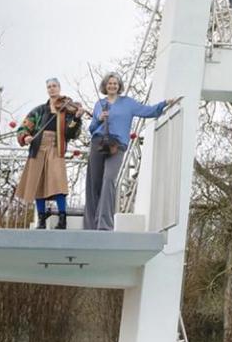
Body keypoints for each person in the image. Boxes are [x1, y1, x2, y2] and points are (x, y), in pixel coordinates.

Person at [86, 74, 180, 232]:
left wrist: (164, 103)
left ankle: (104, 223)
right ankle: (91, 224)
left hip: (117, 145)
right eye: (109, 83)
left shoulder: (127, 103)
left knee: (109, 179)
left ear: (119, 86)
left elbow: (147, 111)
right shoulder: (99, 104)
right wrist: (99, 119)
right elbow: (91, 128)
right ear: (105, 86)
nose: (112, 86)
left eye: (115, 83)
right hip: (98, 143)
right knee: (95, 183)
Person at [15, 78, 84, 229]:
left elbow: (71, 133)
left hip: (55, 147)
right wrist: (25, 137)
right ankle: (41, 219)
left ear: (59, 88)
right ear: (47, 90)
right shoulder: (39, 110)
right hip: (38, 147)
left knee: (59, 183)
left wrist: (77, 118)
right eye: (49, 87)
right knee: (38, 183)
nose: (52, 89)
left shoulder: (66, 110)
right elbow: (23, 127)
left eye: (54, 86)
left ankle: (62, 217)